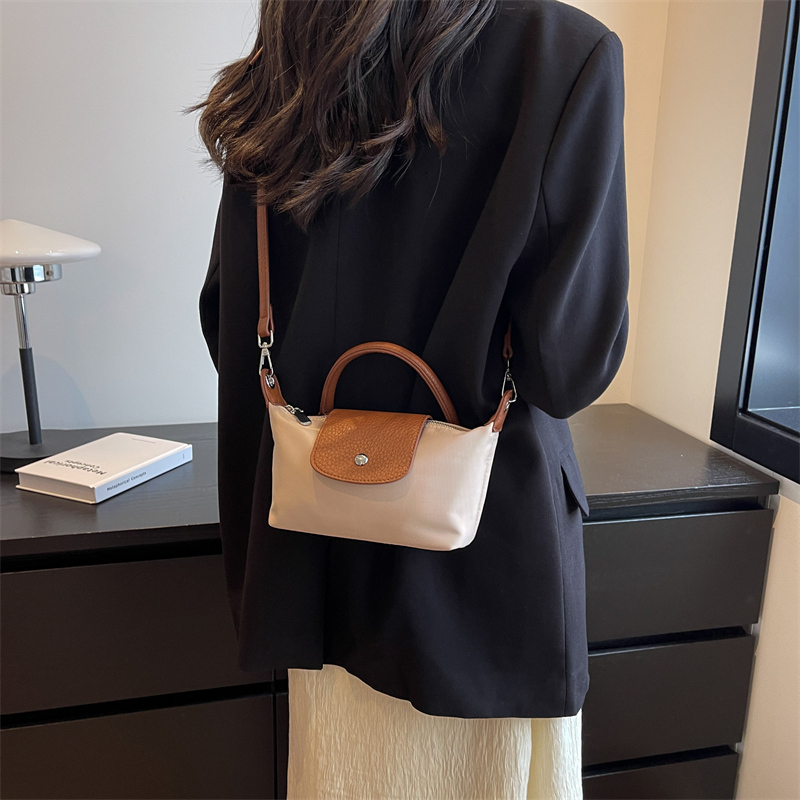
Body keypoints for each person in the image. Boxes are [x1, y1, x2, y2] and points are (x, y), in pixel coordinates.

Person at [194, 0, 629, 796]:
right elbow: (565, 368)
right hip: (486, 566)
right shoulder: (561, 51)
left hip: (319, 554)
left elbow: (230, 318)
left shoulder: (291, 52)